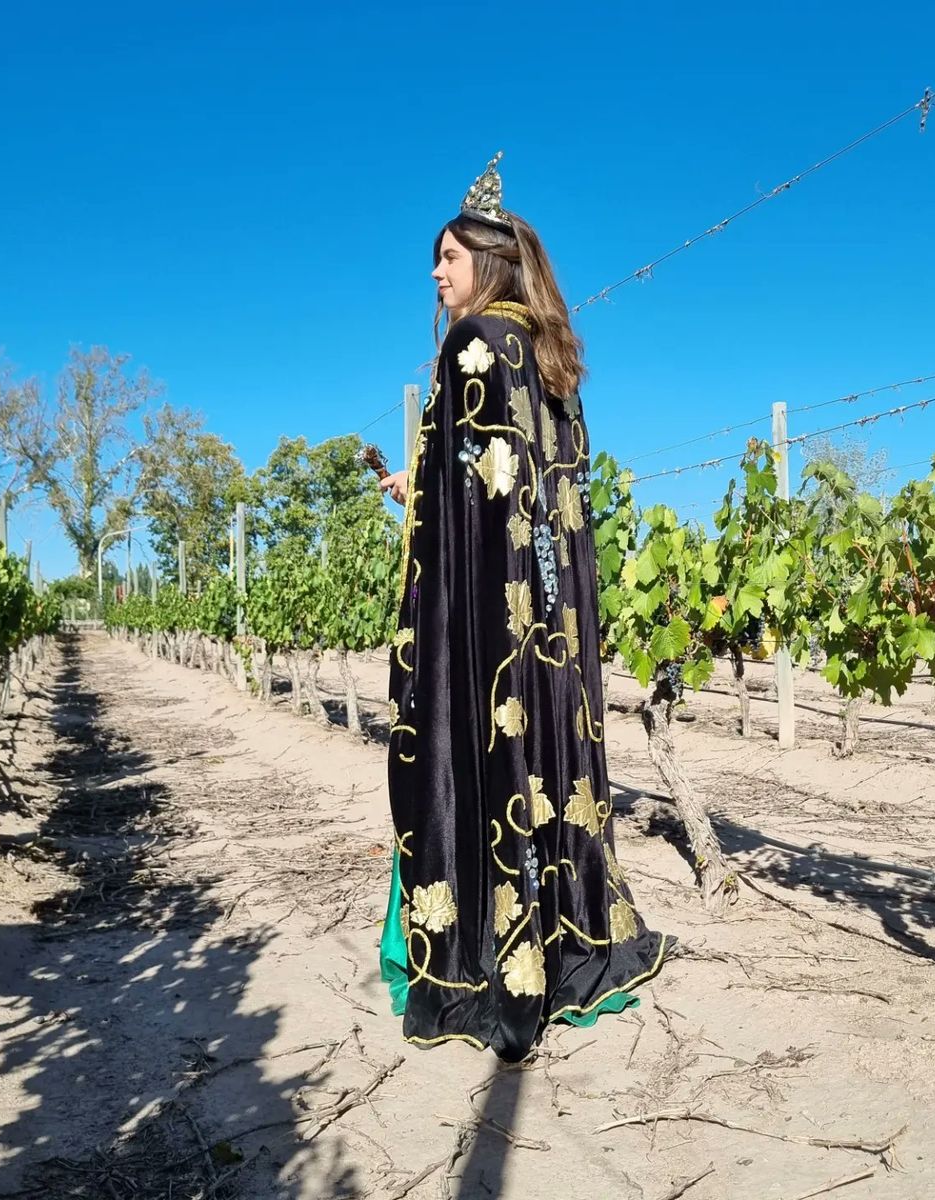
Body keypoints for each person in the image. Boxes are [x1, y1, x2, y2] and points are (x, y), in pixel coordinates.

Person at [377, 153, 668, 1061]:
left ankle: (484, 971)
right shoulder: (551, 360)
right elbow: (524, 493)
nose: (436, 273)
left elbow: (469, 510)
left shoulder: (469, 346)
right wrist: (418, 480)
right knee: (548, 765)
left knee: (474, 765)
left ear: (487, 263)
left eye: (449, 258)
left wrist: (421, 509)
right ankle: (572, 942)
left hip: (485, 621)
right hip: (548, 627)